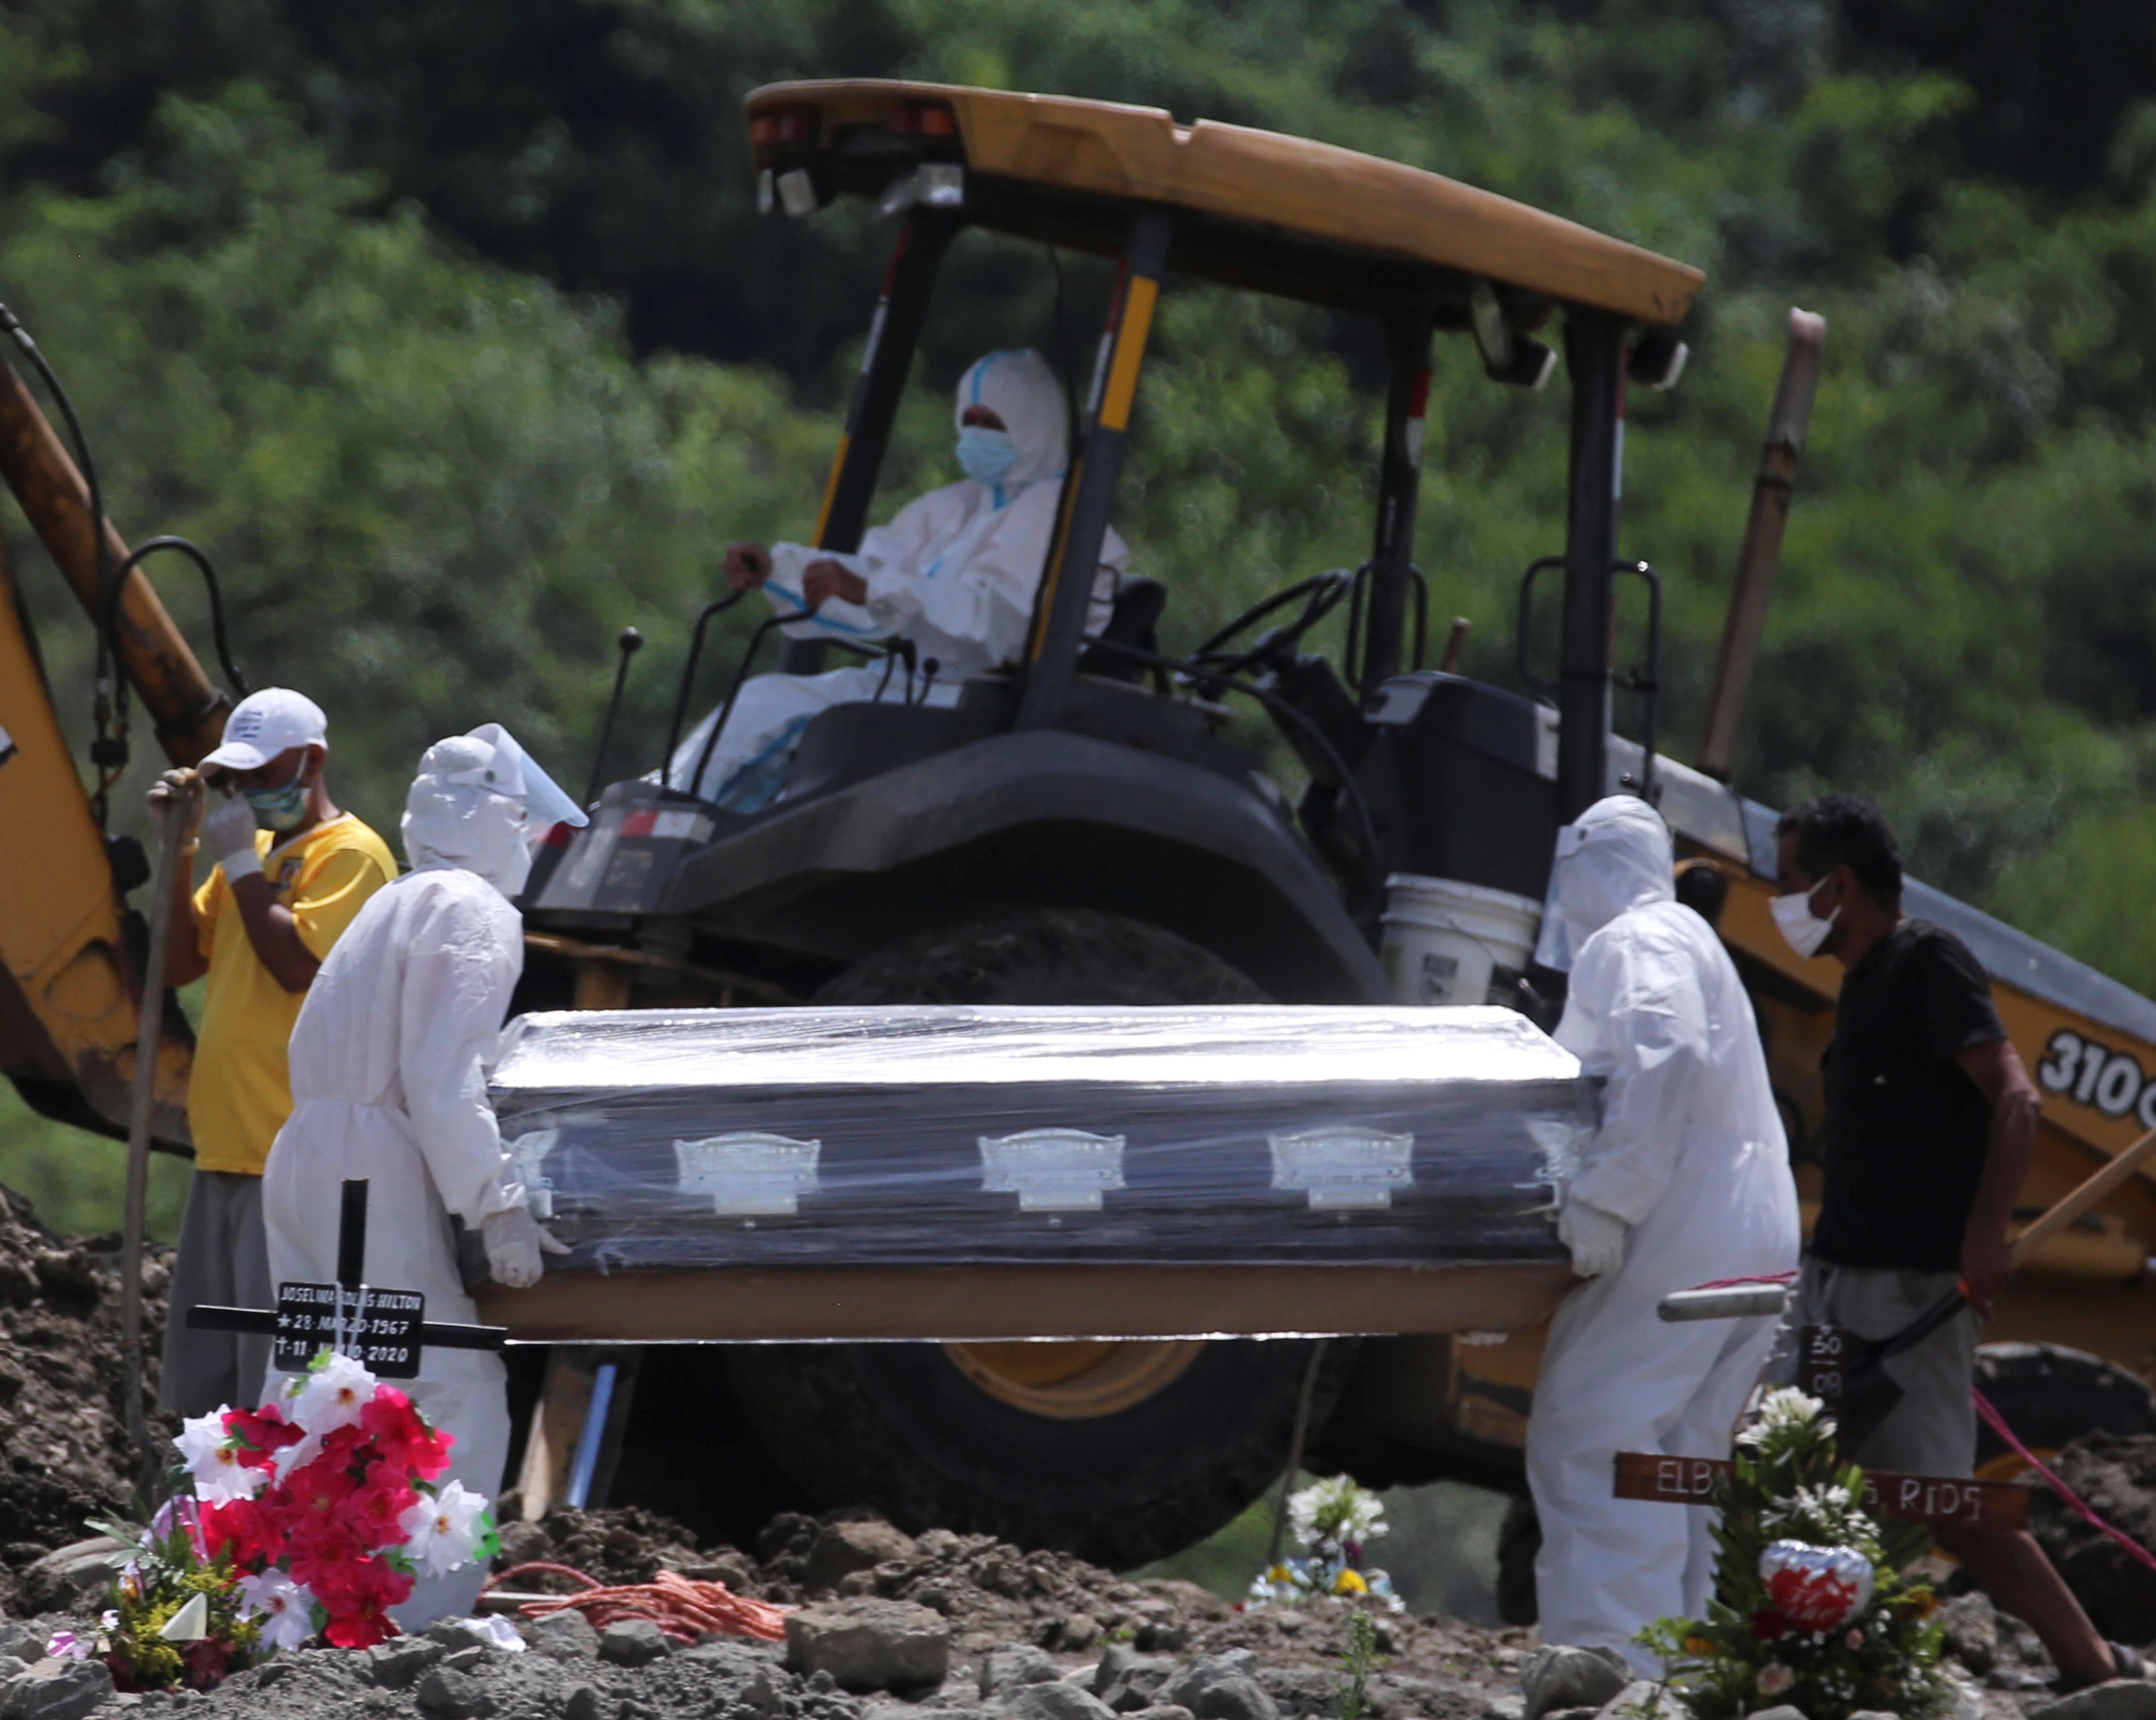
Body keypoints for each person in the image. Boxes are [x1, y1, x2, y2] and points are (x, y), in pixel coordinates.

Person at [1767, 793, 2144, 1689]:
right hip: (1832, 1291)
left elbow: (2014, 1098)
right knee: (1806, 1468)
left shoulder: (1924, 961)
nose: (1779, 901)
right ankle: (1807, 1662)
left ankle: (2090, 1667)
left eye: (1788, 883)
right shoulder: (1857, 984)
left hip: (1910, 1300)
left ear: (1838, 884)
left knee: (1949, 1503)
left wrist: (1985, 1236)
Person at [261, 723, 585, 1627]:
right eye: (522, 822)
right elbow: (445, 1080)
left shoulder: (394, 901)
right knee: (454, 1387)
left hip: (307, 1155)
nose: (528, 842)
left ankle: (265, 1592)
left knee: (314, 1382)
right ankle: (424, 1618)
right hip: (370, 1166)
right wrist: (500, 1203)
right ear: (487, 821)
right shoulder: (473, 911)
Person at [1525, 795, 1800, 1671]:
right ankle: (1688, 1664)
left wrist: (1608, 1195)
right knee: (1684, 1456)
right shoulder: (1690, 940)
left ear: (1592, 865)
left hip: (1687, 1217)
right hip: (1751, 1223)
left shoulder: (1634, 940)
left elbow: (1665, 1049)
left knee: (1597, 1427)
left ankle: (1614, 1659)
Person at [668, 348, 1127, 806]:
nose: (976, 436)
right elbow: (877, 579)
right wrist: (778, 571)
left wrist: (876, 591)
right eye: (969, 421)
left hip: (974, 705)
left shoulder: (1057, 514)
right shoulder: (957, 506)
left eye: (992, 425)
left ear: (1033, 429)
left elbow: (994, 623)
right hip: (911, 688)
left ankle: (675, 829)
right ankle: (658, 813)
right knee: (762, 700)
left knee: (787, 720)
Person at [146, 688, 395, 1417]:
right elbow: (175, 963)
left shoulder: (352, 855)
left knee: (275, 1377)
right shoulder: (244, 857)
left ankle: (272, 1523)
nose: (248, 792)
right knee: (206, 1377)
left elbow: (298, 967)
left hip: (287, 1154)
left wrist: (244, 870)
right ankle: (195, 1518)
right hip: (224, 1146)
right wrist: (181, 847)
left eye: (262, 775)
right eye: (236, 779)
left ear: (312, 761)